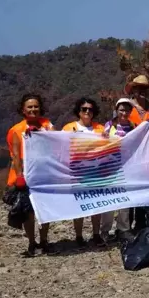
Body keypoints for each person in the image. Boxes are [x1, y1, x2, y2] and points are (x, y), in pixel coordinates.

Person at [6, 93, 55, 256]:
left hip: (44, 173)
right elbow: (15, 155)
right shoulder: (16, 130)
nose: (33, 109)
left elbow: (56, 141)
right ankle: (32, 243)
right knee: (29, 211)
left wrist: (41, 135)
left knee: (45, 208)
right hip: (26, 174)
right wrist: (20, 177)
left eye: (36, 106)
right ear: (23, 110)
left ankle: (44, 240)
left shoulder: (47, 125)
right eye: (30, 107)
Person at [61, 98, 105, 247]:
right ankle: (79, 236)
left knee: (96, 204)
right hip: (76, 173)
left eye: (90, 109)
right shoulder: (68, 128)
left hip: (95, 172)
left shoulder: (100, 128)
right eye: (84, 109)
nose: (87, 112)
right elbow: (59, 146)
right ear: (78, 111)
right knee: (79, 204)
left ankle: (96, 234)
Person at [100, 98, 137, 241]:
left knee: (125, 200)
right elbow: (101, 144)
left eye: (127, 110)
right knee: (109, 200)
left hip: (126, 168)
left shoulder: (134, 127)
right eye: (121, 109)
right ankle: (105, 230)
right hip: (109, 169)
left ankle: (123, 229)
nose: (124, 113)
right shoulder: (109, 126)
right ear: (116, 110)